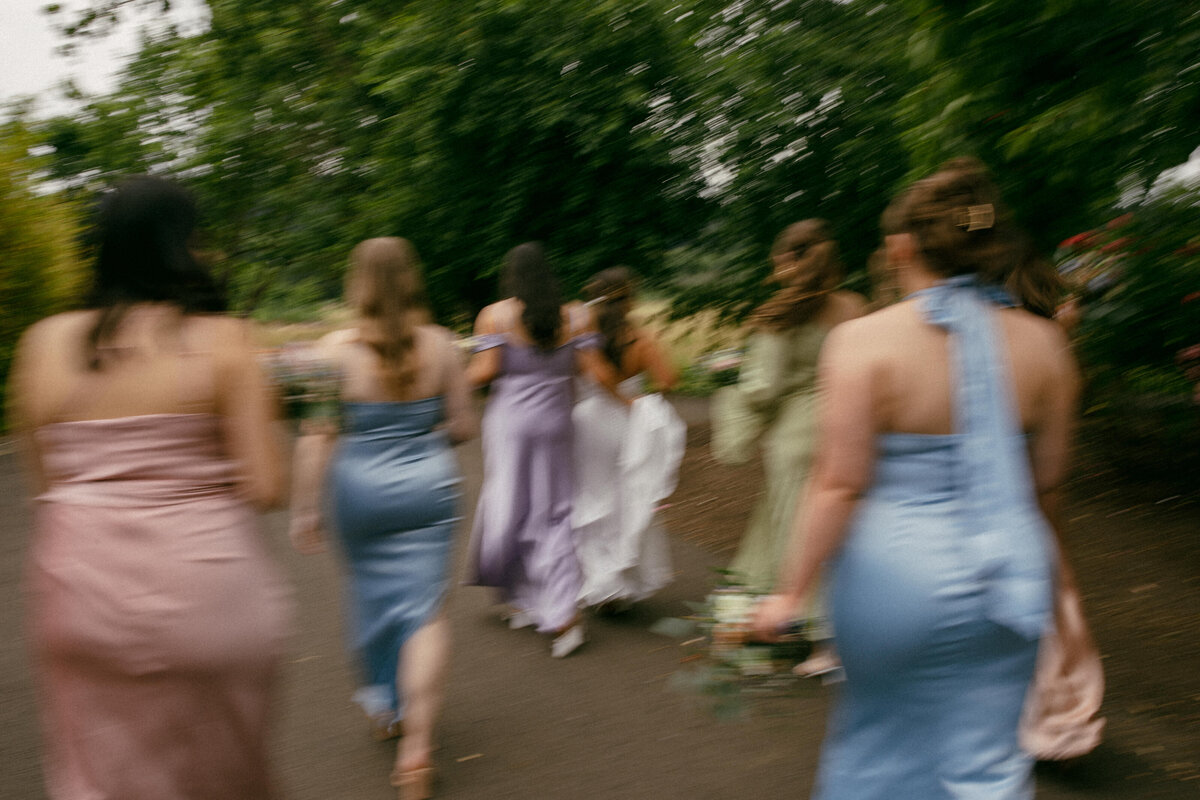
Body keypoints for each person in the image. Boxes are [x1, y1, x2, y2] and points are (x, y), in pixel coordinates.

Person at [754, 157, 1076, 799]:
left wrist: (789, 594)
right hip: (1009, 581)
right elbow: (1048, 486)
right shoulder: (1047, 345)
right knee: (989, 760)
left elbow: (838, 482)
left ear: (902, 246)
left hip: (894, 581)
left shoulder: (862, 341)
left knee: (880, 748)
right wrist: (1042, 572)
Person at [8, 175, 292, 799]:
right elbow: (268, 485)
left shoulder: (41, 345)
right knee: (224, 781)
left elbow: (46, 486)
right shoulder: (224, 342)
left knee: (102, 778)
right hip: (207, 598)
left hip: (80, 597)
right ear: (182, 244)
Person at [288, 237, 475, 800]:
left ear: (358, 283)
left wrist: (304, 508)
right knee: (427, 614)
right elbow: (464, 426)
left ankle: (385, 710)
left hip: (360, 493)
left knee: (371, 598)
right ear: (414, 279)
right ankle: (417, 749)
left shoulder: (329, 354)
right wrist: (420, 436)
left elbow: (315, 440)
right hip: (428, 489)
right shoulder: (443, 346)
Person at [711, 219, 865, 675]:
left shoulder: (779, 315)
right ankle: (830, 630)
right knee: (838, 530)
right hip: (848, 427)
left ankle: (817, 639)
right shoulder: (855, 306)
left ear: (786, 262)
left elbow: (765, 388)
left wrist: (730, 381)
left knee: (796, 530)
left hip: (796, 435)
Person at [465, 242, 621, 658]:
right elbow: (595, 370)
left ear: (510, 277)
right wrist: (630, 403)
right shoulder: (577, 315)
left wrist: (444, 384)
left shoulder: (493, 316)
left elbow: (484, 371)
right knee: (556, 513)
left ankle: (519, 597)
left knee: (510, 505)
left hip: (510, 425)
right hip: (556, 423)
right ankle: (563, 617)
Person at [571, 267, 685, 612]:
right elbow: (668, 379)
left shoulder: (585, 334)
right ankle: (621, 579)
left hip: (590, 424)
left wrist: (615, 396)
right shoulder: (641, 337)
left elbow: (598, 374)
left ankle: (601, 582)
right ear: (630, 298)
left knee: (593, 501)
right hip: (629, 426)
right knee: (626, 499)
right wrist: (636, 398)